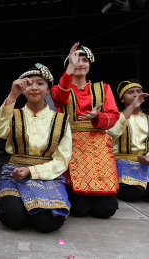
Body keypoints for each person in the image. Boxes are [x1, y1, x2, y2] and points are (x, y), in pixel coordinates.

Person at [0, 64, 72, 232]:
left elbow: (62, 160)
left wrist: (31, 171)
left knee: (48, 224)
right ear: (23, 89)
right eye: (29, 83)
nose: (34, 87)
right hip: (15, 174)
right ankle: (26, 208)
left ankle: (32, 210)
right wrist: (12, 95)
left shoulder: (61, 120)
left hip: (47, 176)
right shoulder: (13, 114)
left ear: (48, 89)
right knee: (14, 219)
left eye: (40, 83)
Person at [51, 43, 120, 218]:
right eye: (75, 61)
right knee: (79, 210)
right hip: (72, 146)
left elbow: (113, 117)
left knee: (106, 210)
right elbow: (60, 97)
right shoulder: (59, 90)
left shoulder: (103, 88)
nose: (80, 63)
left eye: (84, 60)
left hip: (98, 147)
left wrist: (98, 117)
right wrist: (69, 70)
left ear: (90, 63)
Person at [107, 80, 149, 202]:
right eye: (131, 92)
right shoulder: (115, 118)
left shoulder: (147, 118)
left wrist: (147, 157)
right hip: (122, 164)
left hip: (145, 163)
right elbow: (113, 133)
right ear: (122, 99)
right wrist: (132, 107)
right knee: (132, 194)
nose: (136, 94)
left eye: (139, 91)